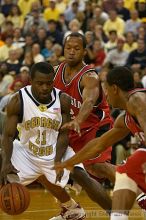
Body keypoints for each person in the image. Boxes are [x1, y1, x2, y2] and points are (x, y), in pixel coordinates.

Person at [54, 66, 146, 220]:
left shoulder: (137, 100)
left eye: (106, 90)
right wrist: (70, 162)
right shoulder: (125, 119)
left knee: (129, 168)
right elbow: (99, 144)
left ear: (114, 88)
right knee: (124, 172)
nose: (105, 95)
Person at [0, 62, 86, 220]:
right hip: (26, 151)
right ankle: (72, 208)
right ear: (31, 81)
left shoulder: (62, 99)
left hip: (53, 151)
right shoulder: (17, 100)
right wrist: (6, 163)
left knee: (79, 177)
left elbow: (64, 134)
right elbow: (8, 136)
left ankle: (73, 208)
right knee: (3, 158)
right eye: (40, 83)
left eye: (49, 83)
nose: (45, 88)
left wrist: (58, 159)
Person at [54, 32, 114, 182]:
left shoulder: (90, 77)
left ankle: (138, 186)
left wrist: (78, 120)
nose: (72, 51)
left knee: (98, 166)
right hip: (71, 130)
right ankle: (69, 204)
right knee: (76, 169)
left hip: (96, 127)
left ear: (84, 52)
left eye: (76, 48)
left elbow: (88, 101)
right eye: (68, 48)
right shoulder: (55, 72)